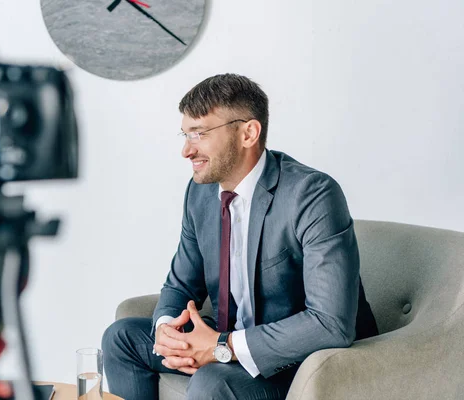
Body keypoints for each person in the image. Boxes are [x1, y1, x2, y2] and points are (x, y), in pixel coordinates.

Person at [101, 74, 379, 399]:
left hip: (301, 362)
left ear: (248, 132)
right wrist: (166, 330)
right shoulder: (200, 193)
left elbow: (330, 323)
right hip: (229, 341)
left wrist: (222, 346)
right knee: (121, 338)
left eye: (200, 134)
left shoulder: (312, 195)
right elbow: (180, 284)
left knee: (212, 382)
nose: (186, 150)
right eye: (185, 134)